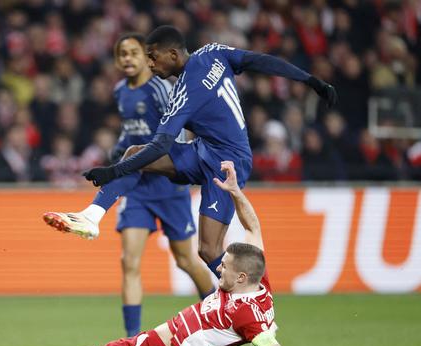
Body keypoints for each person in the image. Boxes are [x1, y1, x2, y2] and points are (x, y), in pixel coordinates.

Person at [0, 161, 343, 346]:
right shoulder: (258, 280)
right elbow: (253, 227)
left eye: (225, 268)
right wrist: (234, 190)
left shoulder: (249, 317)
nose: (218, 270)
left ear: (242, 277)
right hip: (152, 345)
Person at [42, 25, 337, 291]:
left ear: (173, 54)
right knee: (134, 153)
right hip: (203, 152)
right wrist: (310, 80)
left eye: (153, 57)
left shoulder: (184, 95)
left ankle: (256, 297)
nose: (150, 64)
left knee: (208, 250)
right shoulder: (214, 52)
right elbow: (261, 60)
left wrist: (113, 172)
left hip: (227, 164)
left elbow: (159, 147)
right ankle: (92, 217)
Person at [45, 33, 214, 338]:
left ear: (147, 58)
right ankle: (132, 339)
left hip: (168, 186)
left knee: (187, 260)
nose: (128, 59)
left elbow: (179, 130)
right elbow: (130, 132)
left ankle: (217, 315)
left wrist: (176, 165)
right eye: (122, 53)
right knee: (129, 262)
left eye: (134, 53)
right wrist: (118, 152)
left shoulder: (162, 88)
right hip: (137, 187)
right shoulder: (121, 91)